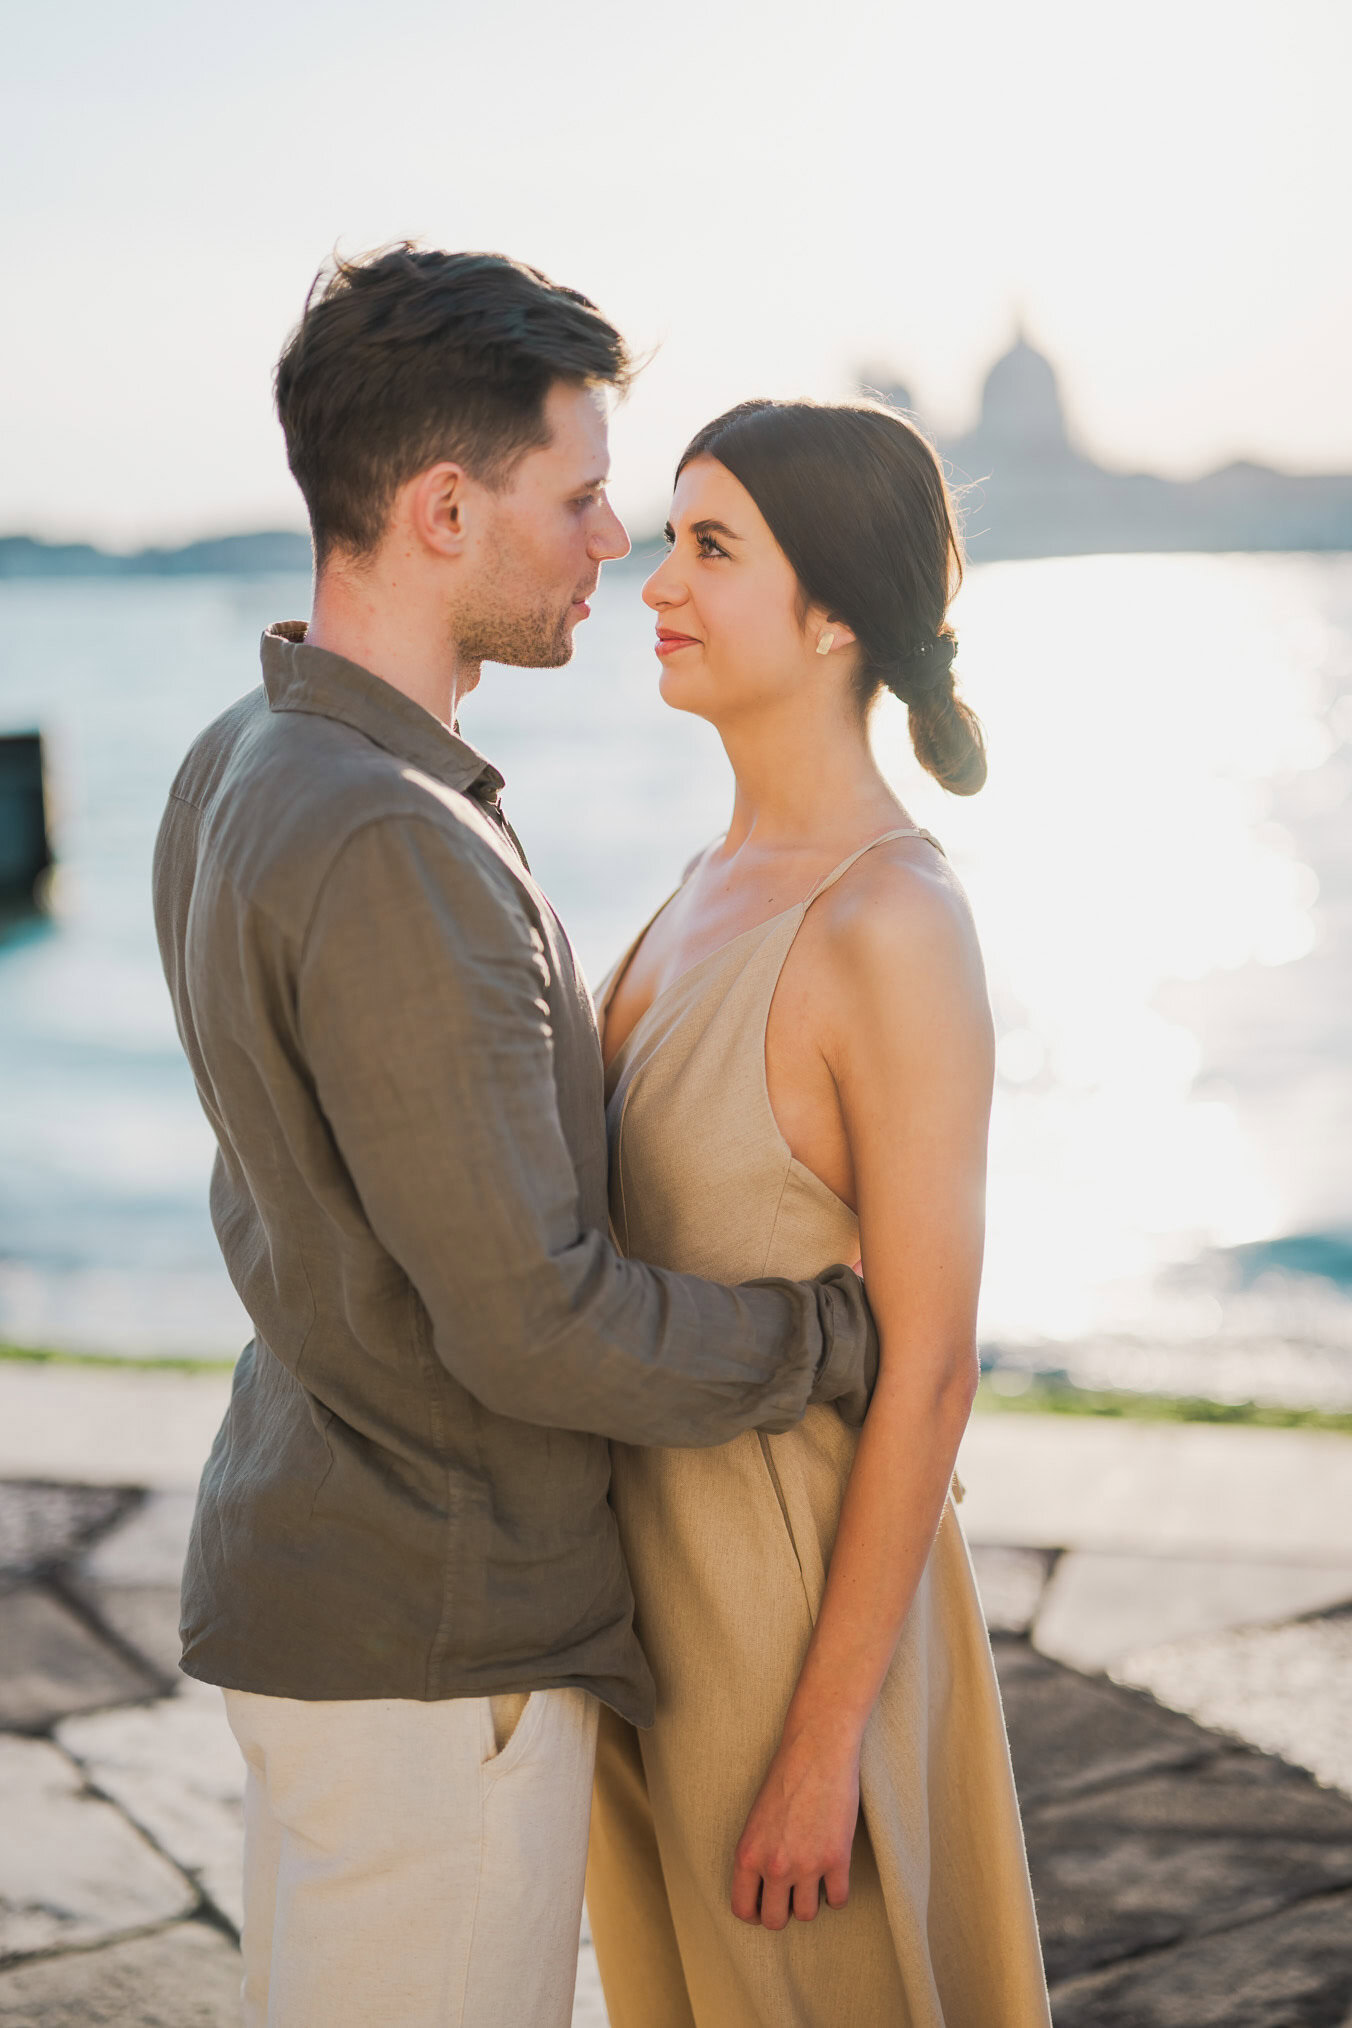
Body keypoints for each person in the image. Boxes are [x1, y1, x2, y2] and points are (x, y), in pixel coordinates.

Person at [151, 251, 881, 2028]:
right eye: (580, 495)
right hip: (430, 1637)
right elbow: (535, 1321)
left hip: (339, 1577)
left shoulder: (239, 757)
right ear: (445, 506)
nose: (613, 539)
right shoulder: (389, 834)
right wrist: (829, 1337)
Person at [585, 399, 1051, 2026]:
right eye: (668, 538)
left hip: (790, 1631)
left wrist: (821, 1746)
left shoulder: (895, 925)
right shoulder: (701, 883)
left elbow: (927, 1369)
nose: (659, 583)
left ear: (836, 612)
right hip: (647, 1618)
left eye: (713, 548)